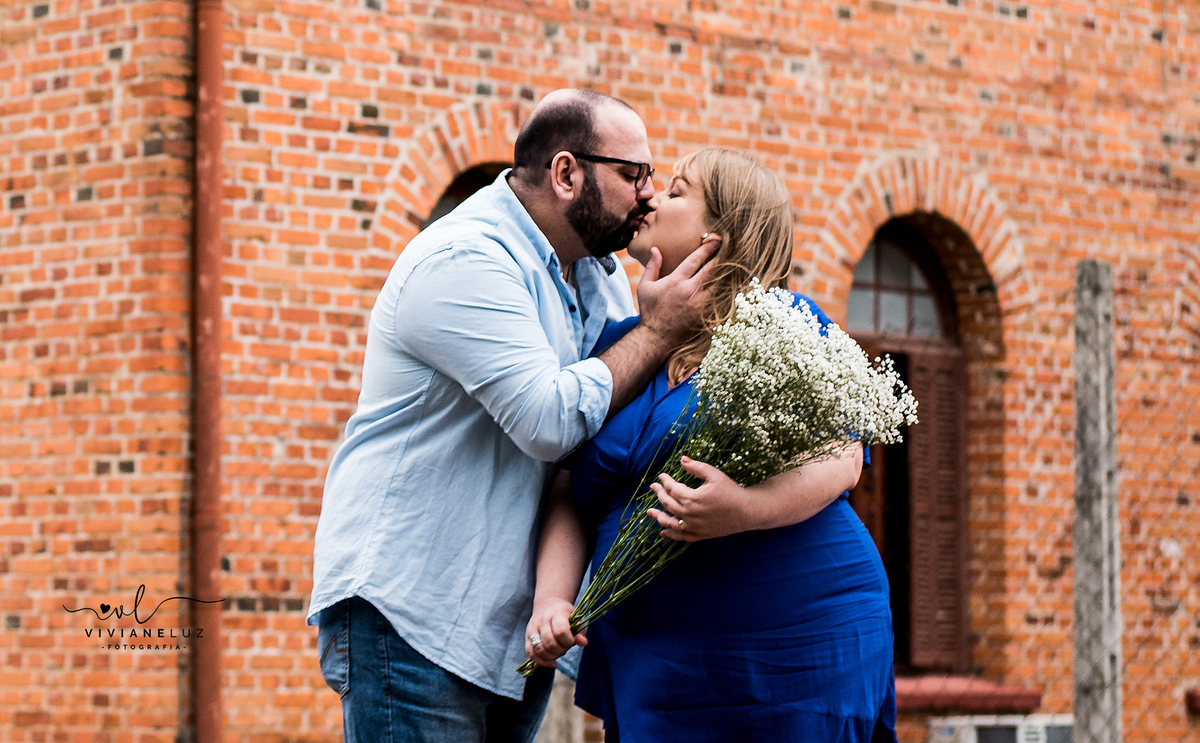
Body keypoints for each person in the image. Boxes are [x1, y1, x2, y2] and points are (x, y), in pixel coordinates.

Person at [306, 89, 724, 743]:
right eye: (633, 174)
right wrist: (658, 331)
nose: (647, 194)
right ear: (567, 173)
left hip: (514, 631)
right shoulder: (465, 259)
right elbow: (549, 421)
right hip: (416, 613)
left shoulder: (596, 275)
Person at [524, 147, 899, 743]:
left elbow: (843, 459)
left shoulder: (785, 325)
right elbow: (571, 490)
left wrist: (744, 509)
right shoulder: (622, 346)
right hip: (655, 661)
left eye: (676, 191)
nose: (651, 197)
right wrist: (551, 600)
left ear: (717, 235)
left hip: (796, 642)